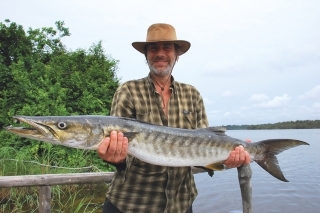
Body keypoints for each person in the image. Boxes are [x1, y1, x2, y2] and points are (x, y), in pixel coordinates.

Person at [97, 23, 250, 213]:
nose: (160, 53)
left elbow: (204, 146)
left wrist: (227, 158)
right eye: (153, 47)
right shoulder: (128, 91)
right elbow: (120, 152)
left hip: (181, 203)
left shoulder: (192, 94)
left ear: (177, 54)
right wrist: (115, 159)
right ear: (146, 54)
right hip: (130, 202)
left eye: (167, 47)